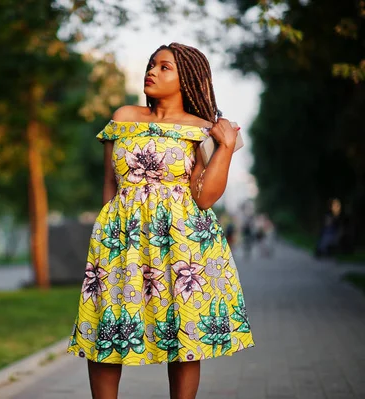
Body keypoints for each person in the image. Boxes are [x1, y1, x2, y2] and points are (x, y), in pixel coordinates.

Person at [67, 43, 255, 399]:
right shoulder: (123, 117)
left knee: (182, 332)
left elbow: (204, 197)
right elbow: (109, 185)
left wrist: (226, 148)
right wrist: (104, 237)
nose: (151, 71)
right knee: (110, 329)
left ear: (188, 80)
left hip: (182, 242)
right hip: (122, 238)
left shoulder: (204, 129)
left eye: (164, 67)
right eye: (152, 64)